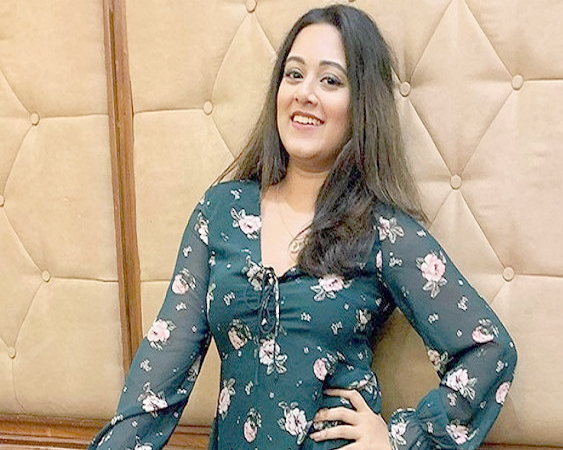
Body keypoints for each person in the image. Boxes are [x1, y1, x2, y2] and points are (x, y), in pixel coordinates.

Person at [89, 4, 517, 450]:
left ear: (362, 103)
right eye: (294, 75)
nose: (305, 93)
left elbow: (489, 350)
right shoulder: (220, 213)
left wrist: (399, 439)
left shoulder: (381, 231)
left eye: (330, 81)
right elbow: (161, 369)